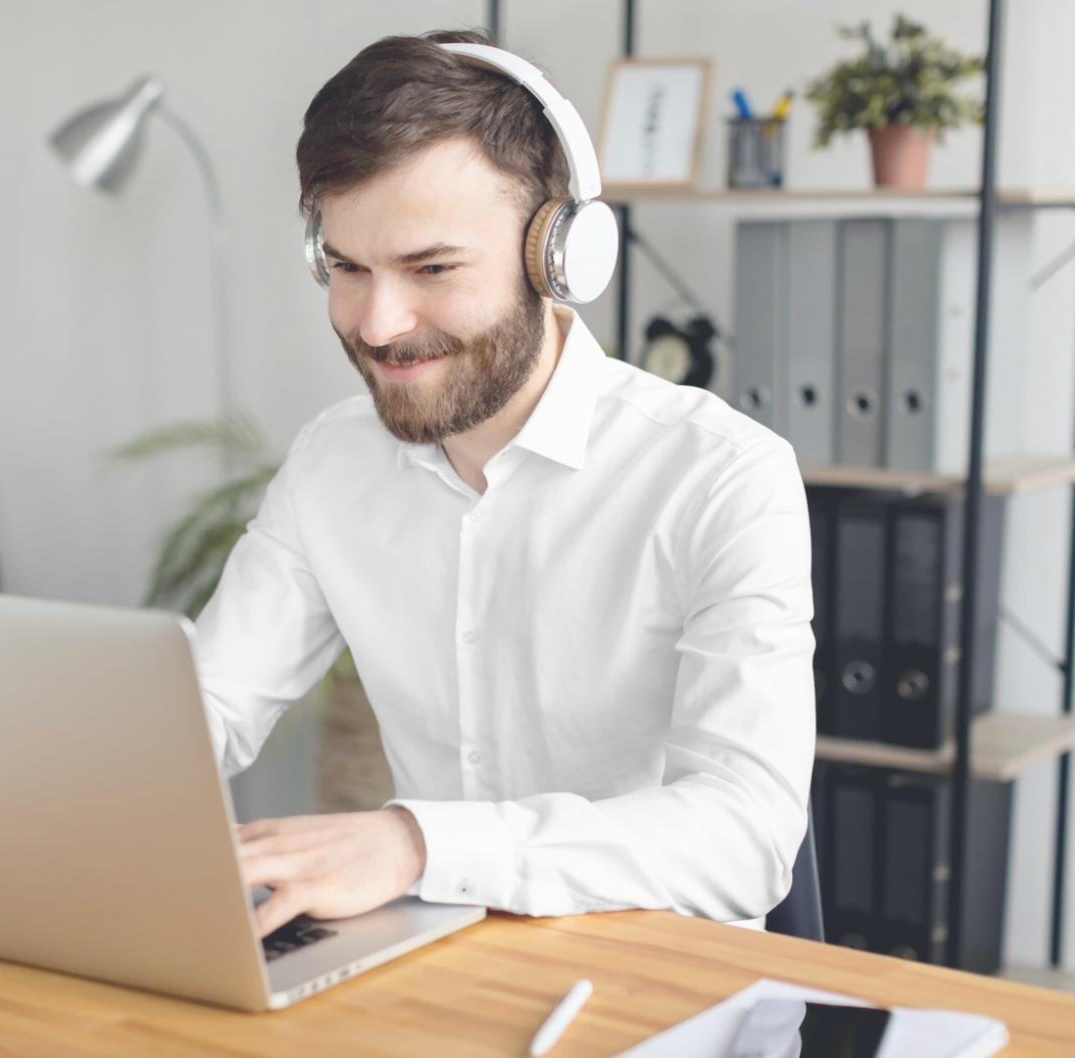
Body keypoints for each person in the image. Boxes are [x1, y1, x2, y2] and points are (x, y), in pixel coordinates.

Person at [193, 29, 814, 939]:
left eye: (431, 268)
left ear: (559, 256)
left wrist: (416, 846)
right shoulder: (333, 463)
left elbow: (743, 835)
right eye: (347, 268)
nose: (377, 323)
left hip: (663, 997)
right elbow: (208, 705)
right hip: (433, 978)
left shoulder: (719, 476)